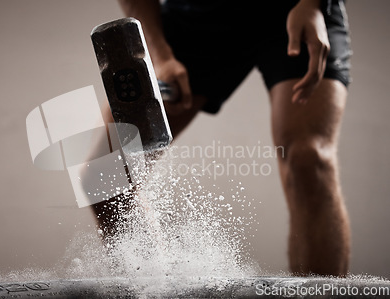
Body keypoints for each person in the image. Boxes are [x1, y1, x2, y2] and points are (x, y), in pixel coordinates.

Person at [105, 0, 352, 277]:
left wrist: (313, 5)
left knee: (309, 158)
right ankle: (153, 288)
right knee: (106, 172)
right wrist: (161, 57)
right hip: (200, 16)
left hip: (295, 8)